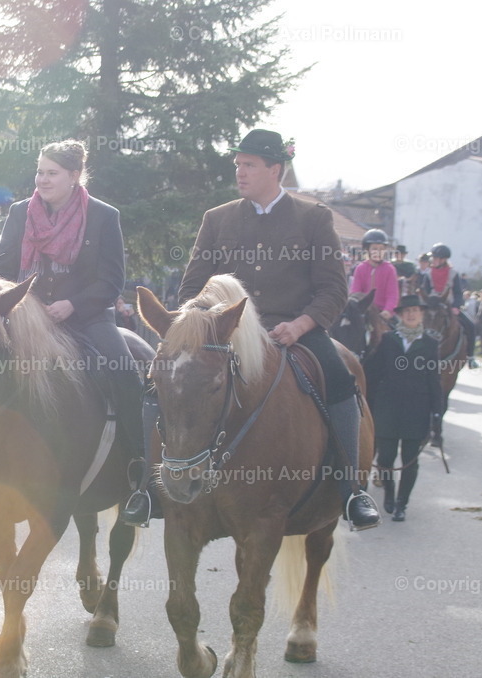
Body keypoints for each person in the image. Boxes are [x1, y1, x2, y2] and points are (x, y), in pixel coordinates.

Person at [179, 128, 381, 530]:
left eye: (249, 165)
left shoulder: (314, 217)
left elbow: (333, 289)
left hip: (296, 331)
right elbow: (190, 288)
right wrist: (209, 322)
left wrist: (302, 324)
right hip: (226, 334)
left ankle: (351, 490)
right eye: (238, 164)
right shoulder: (216, 219)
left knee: (341, 381)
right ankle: (151, 487)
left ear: (276, 169)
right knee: (165, 378)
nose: (240, 172)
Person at [0, 139, 158, 527]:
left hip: (88, 317)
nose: (43, 180)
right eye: (39, 172)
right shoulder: (20, 213)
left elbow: (112, 280)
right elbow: (2, 268)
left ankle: (140, 480)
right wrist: (22, 305)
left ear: (74, 176)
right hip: (28, 315)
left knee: (123, 371)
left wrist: (73, 305)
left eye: (52, 173)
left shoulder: (103, 215)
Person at [363, 295, 443, 522]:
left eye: (415, 310)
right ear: (399, 314)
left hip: (417, 410)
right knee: (386, 458)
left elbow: (434, 380)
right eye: (407, 310)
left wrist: (437, 413)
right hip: (387, 409)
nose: (411, 314)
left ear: (422, 314)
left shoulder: (430, 343)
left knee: (410, 459)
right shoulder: (388, 340)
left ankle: (401, 504)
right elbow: (373, 371)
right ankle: (388, 492)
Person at [419, 243, 478, 369]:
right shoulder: (428, 274)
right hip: (432, 306)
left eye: (435, 258)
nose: (433, 260)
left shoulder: (453, 274)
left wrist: (456, 307)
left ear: (443, 260)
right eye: (433, 258)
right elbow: (425, 291)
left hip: (449, 306)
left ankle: (471, 357)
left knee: (470, 325)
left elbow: (458, 293)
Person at [350, 228, 399, 321]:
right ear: (367, 250)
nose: (378, 252)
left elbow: (392, 294)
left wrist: (388, 310)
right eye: (374, 249)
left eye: (381, 249)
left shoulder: (390, 269)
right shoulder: (360, 268)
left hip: (382, 312)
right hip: (363, 311)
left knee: (397, 331)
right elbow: (355, 292)